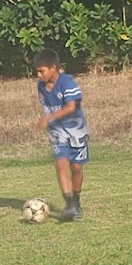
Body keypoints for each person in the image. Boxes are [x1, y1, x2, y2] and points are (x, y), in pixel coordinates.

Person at [33, 49, 90, 221]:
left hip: (76, 130)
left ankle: (76, 201)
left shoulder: (67, 82)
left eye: (41, 71)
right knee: (61, 163)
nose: (38, 75)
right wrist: (51, 121)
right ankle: (70, 204)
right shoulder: (41, 86)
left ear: (53, 68)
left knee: (76, 168)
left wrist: (49, 118)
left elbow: (71, 107)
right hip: (57, 132)